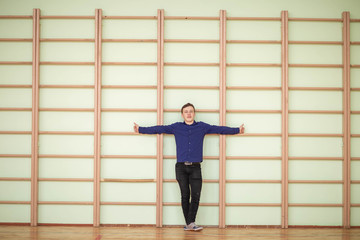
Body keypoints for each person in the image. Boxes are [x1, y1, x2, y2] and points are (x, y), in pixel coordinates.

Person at [133, 103, 245, 231]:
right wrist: (140, 129)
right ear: (182, 114)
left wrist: (237, 130)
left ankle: (189, 224)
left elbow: (219, 129)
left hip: (196, 168)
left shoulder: (202, 127)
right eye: (186, 111)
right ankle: (190, 223)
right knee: (185, 195)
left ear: (194, 113)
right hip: (180, 168)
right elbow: (159, 129)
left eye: (191, 111)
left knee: (196, 196)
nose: (189, 113)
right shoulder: (176, 127)